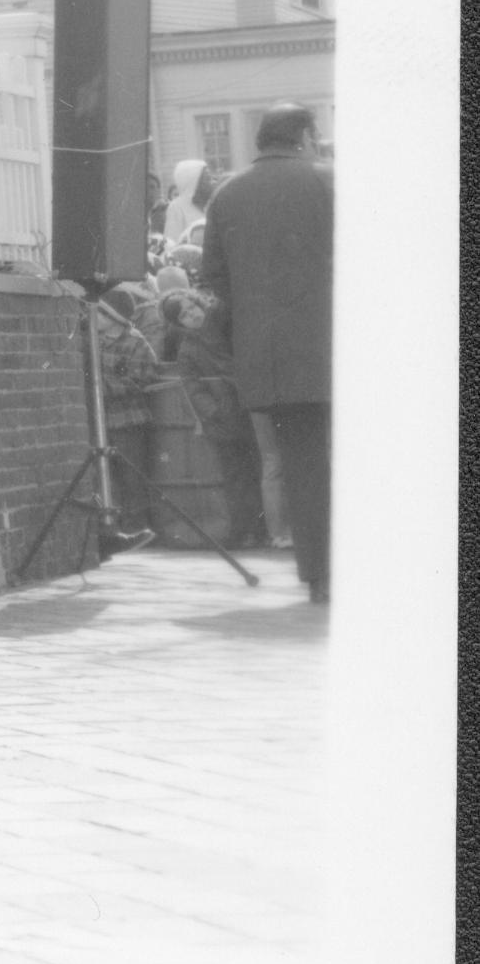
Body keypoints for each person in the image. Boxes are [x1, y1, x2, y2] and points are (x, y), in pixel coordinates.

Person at [200, 105, 332, 604]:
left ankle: (318, 572)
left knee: (300, 465)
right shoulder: (329, 182)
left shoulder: (227, 194)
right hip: (337, 350)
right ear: (302, 135)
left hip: (271, 362)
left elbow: (213, 284)